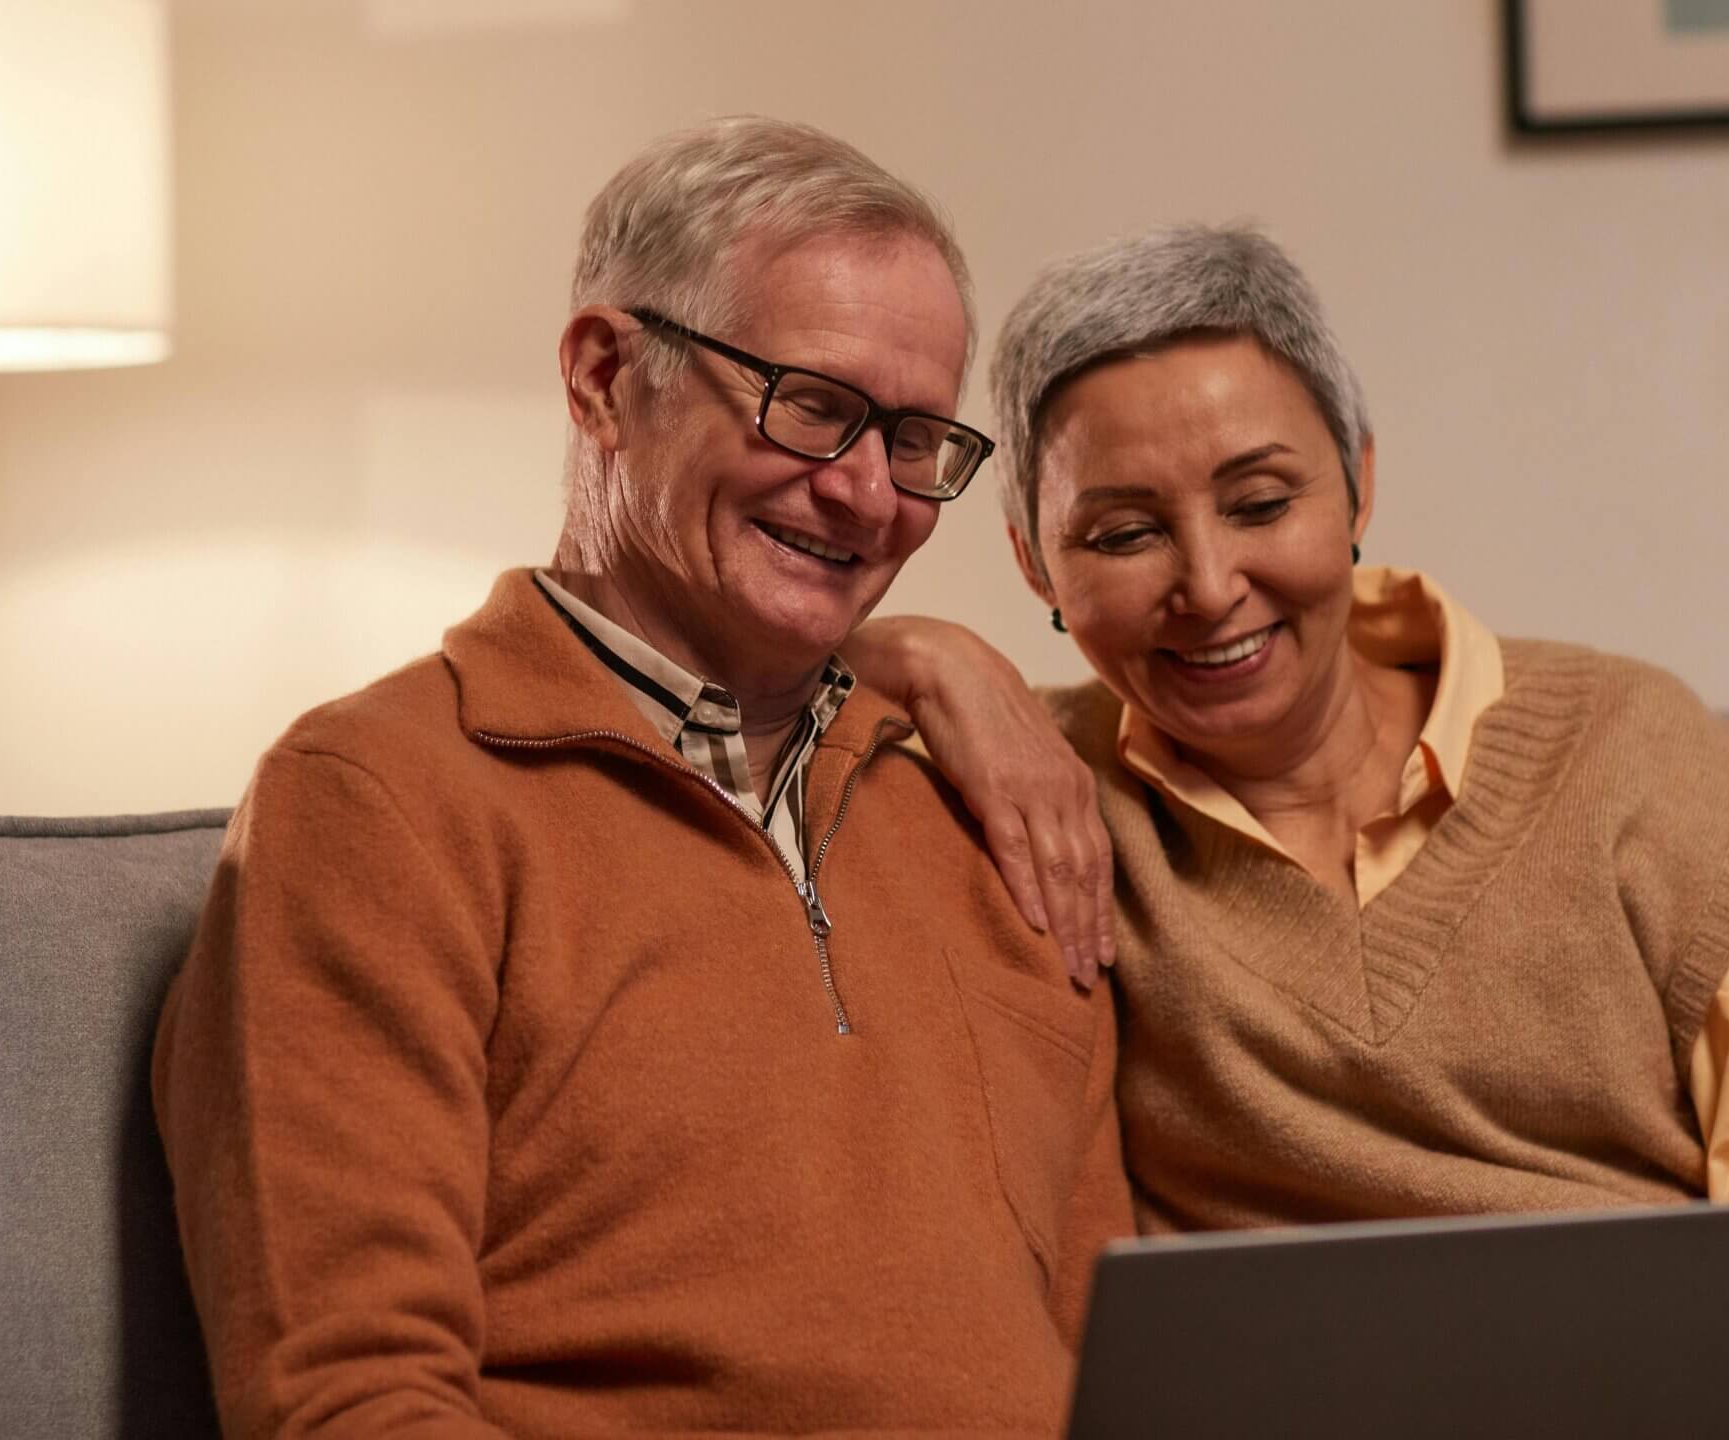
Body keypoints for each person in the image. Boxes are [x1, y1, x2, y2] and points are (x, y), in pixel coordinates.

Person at [854, 224, 1729, 1440]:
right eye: (1122, 534)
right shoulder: (1034, 802)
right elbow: (677, 669)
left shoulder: (1631, 745)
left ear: (1358, 486)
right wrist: (914, 652)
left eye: (1260, 502)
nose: (1210, 583)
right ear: (1032, 566)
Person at [149, 117, 1134, 1439]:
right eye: (814, 405)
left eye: (913, 439)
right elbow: (350, 1402)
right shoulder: (377, 801)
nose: (865, 494)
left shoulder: (1000, 812)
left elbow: (1122, 1373)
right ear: (607, 377)